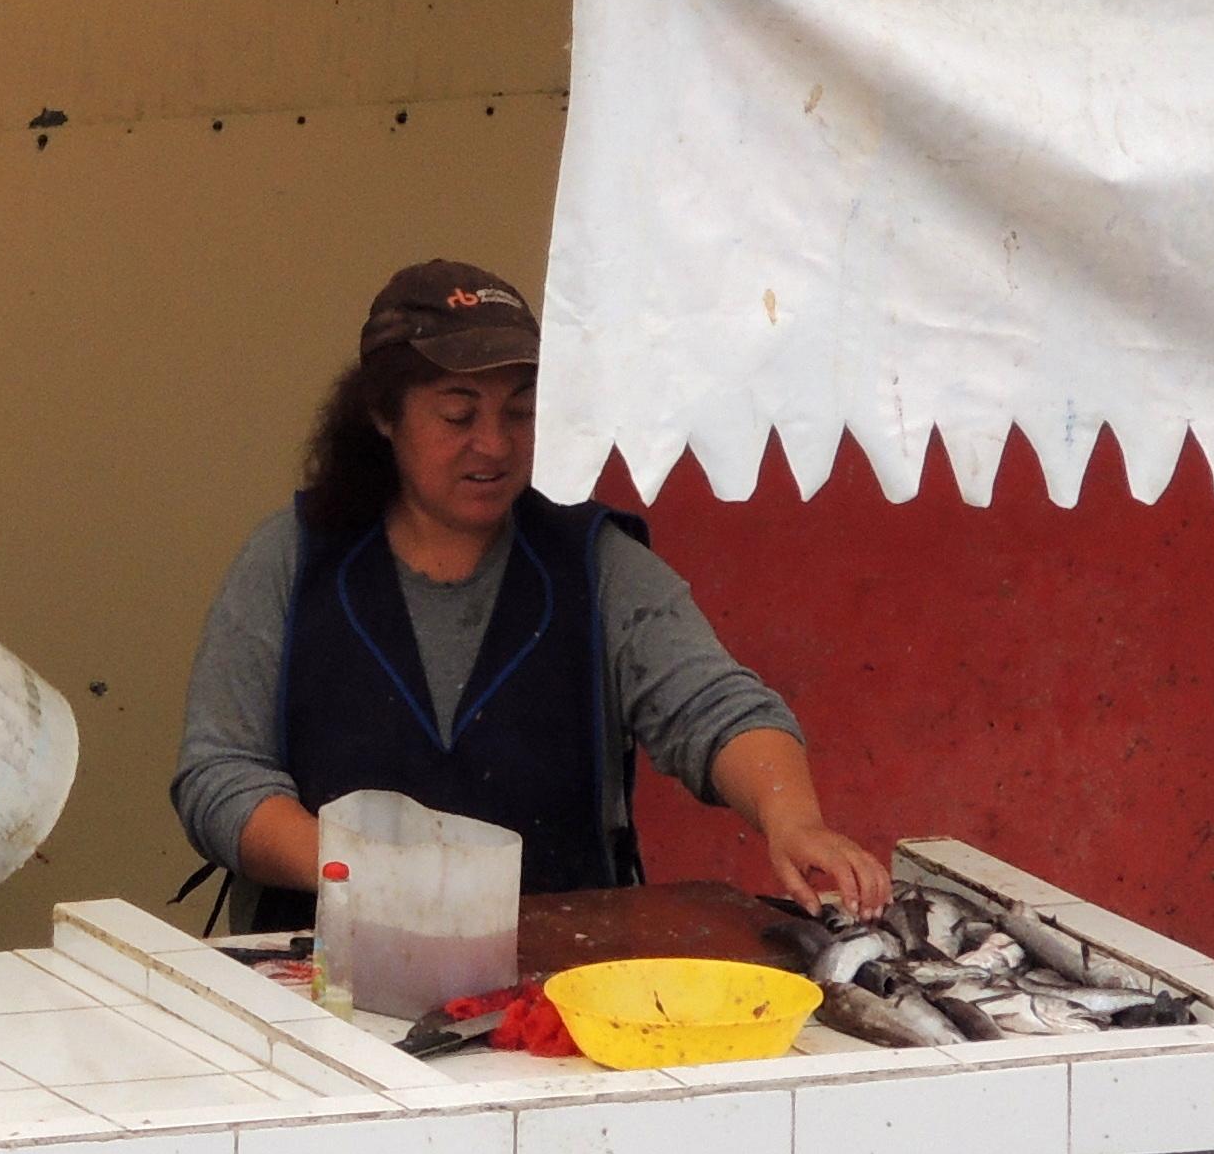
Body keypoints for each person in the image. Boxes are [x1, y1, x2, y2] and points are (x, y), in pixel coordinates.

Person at [173, 259, 884, 923]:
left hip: (557, 982)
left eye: (519, 412)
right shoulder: (291, 560)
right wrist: (358, 869)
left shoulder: (594, 563)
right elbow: (219, 774)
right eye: (458, 415)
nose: (495, 444)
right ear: (384, 417)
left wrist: (793, 819)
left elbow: (717, 707)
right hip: (316, 982)